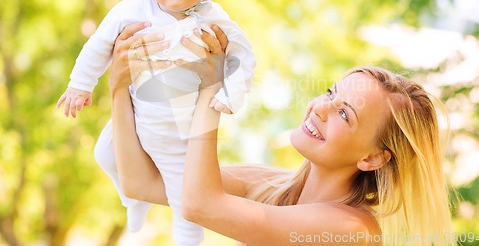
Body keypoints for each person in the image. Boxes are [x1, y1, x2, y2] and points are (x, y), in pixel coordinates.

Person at [108, 22, 457, 246]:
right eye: (331, 93)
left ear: (372, 158)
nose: (320, 107)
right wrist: (119, 87)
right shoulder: (270, 185)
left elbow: (200, 205)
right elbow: (144, 183)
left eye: (343, 114)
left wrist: (212, 91)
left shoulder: (352, 231)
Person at [56, 0, 255, 245]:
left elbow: (244, 58)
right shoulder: (132, 10)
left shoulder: (215, 20)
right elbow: (98, 46)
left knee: (186, 199)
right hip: (135, 113)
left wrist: (232, 95)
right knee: (105, 155)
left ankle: (188, 241)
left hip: (178, 131)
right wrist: (80, 84)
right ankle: (134, 201)